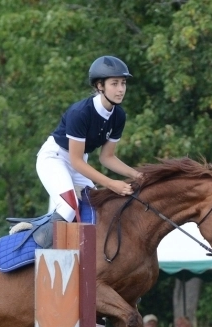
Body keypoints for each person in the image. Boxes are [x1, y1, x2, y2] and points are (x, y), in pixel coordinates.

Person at [35, 55, 141, 227]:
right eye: (114, 84)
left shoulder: (119, 115)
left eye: (123, 83)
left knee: (98, 210)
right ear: (100, 86)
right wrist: (110, 184)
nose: (121, 89)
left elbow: (107, 157)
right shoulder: (80, 113)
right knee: (69, 208)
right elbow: (75, 161)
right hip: (54, 159)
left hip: (78, 162)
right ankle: (38, 242)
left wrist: (137, 175)